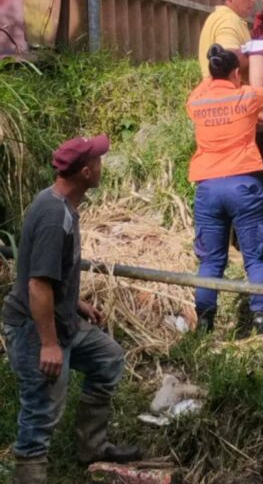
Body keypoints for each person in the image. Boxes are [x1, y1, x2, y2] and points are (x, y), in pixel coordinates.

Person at [2, 135, 140, 484]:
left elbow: (46, 271)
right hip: (37, 329)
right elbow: (37, 284)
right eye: (98, 160)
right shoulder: (53, 217)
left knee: (107, 358)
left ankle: (92, 447)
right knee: (41, 414)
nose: (101, 165)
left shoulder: (62, 206)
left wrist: (76, 303)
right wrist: (49, 344)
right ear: (85, 171)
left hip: (60, 319)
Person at [187, 44, 263, 334]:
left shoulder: (196, 101)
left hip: (207, 188)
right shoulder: (245, 97)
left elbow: (208, 83)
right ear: (236, 73)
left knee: (210, 259)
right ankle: (262, 320)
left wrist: (217, 66)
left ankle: (205, 323)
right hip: (242, 185)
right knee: (255, 257)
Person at [198, 0, 256, 78]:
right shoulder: (228, 20)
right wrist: (259, 55)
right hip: (229, 92)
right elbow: (227, 61)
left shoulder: (219, 17)